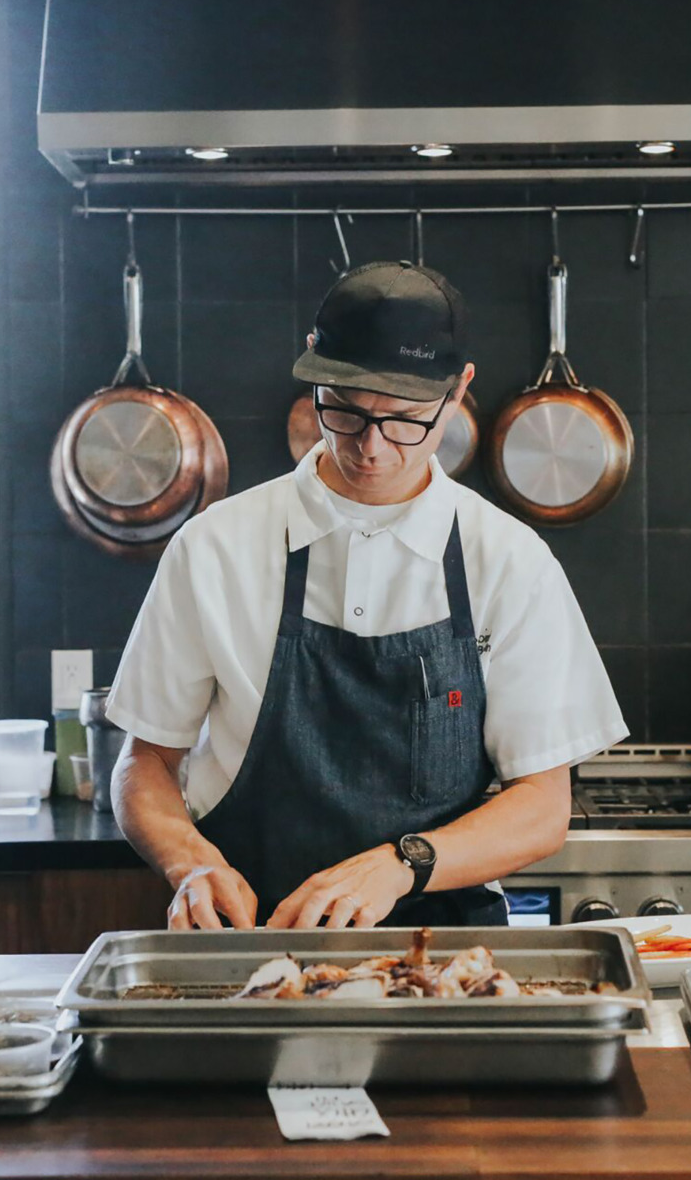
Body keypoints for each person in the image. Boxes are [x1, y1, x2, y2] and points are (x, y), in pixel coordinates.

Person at [108, 262, 626, 930]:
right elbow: (145, 762)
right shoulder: (214, 548)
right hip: (249, 937)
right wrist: (190, 864)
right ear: (315, 372)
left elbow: (543, 805)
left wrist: (401, 862)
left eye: (406, 418)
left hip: (444, 951)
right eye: (345, 413)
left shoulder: (508, 560)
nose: (372, 449)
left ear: (459, 388)